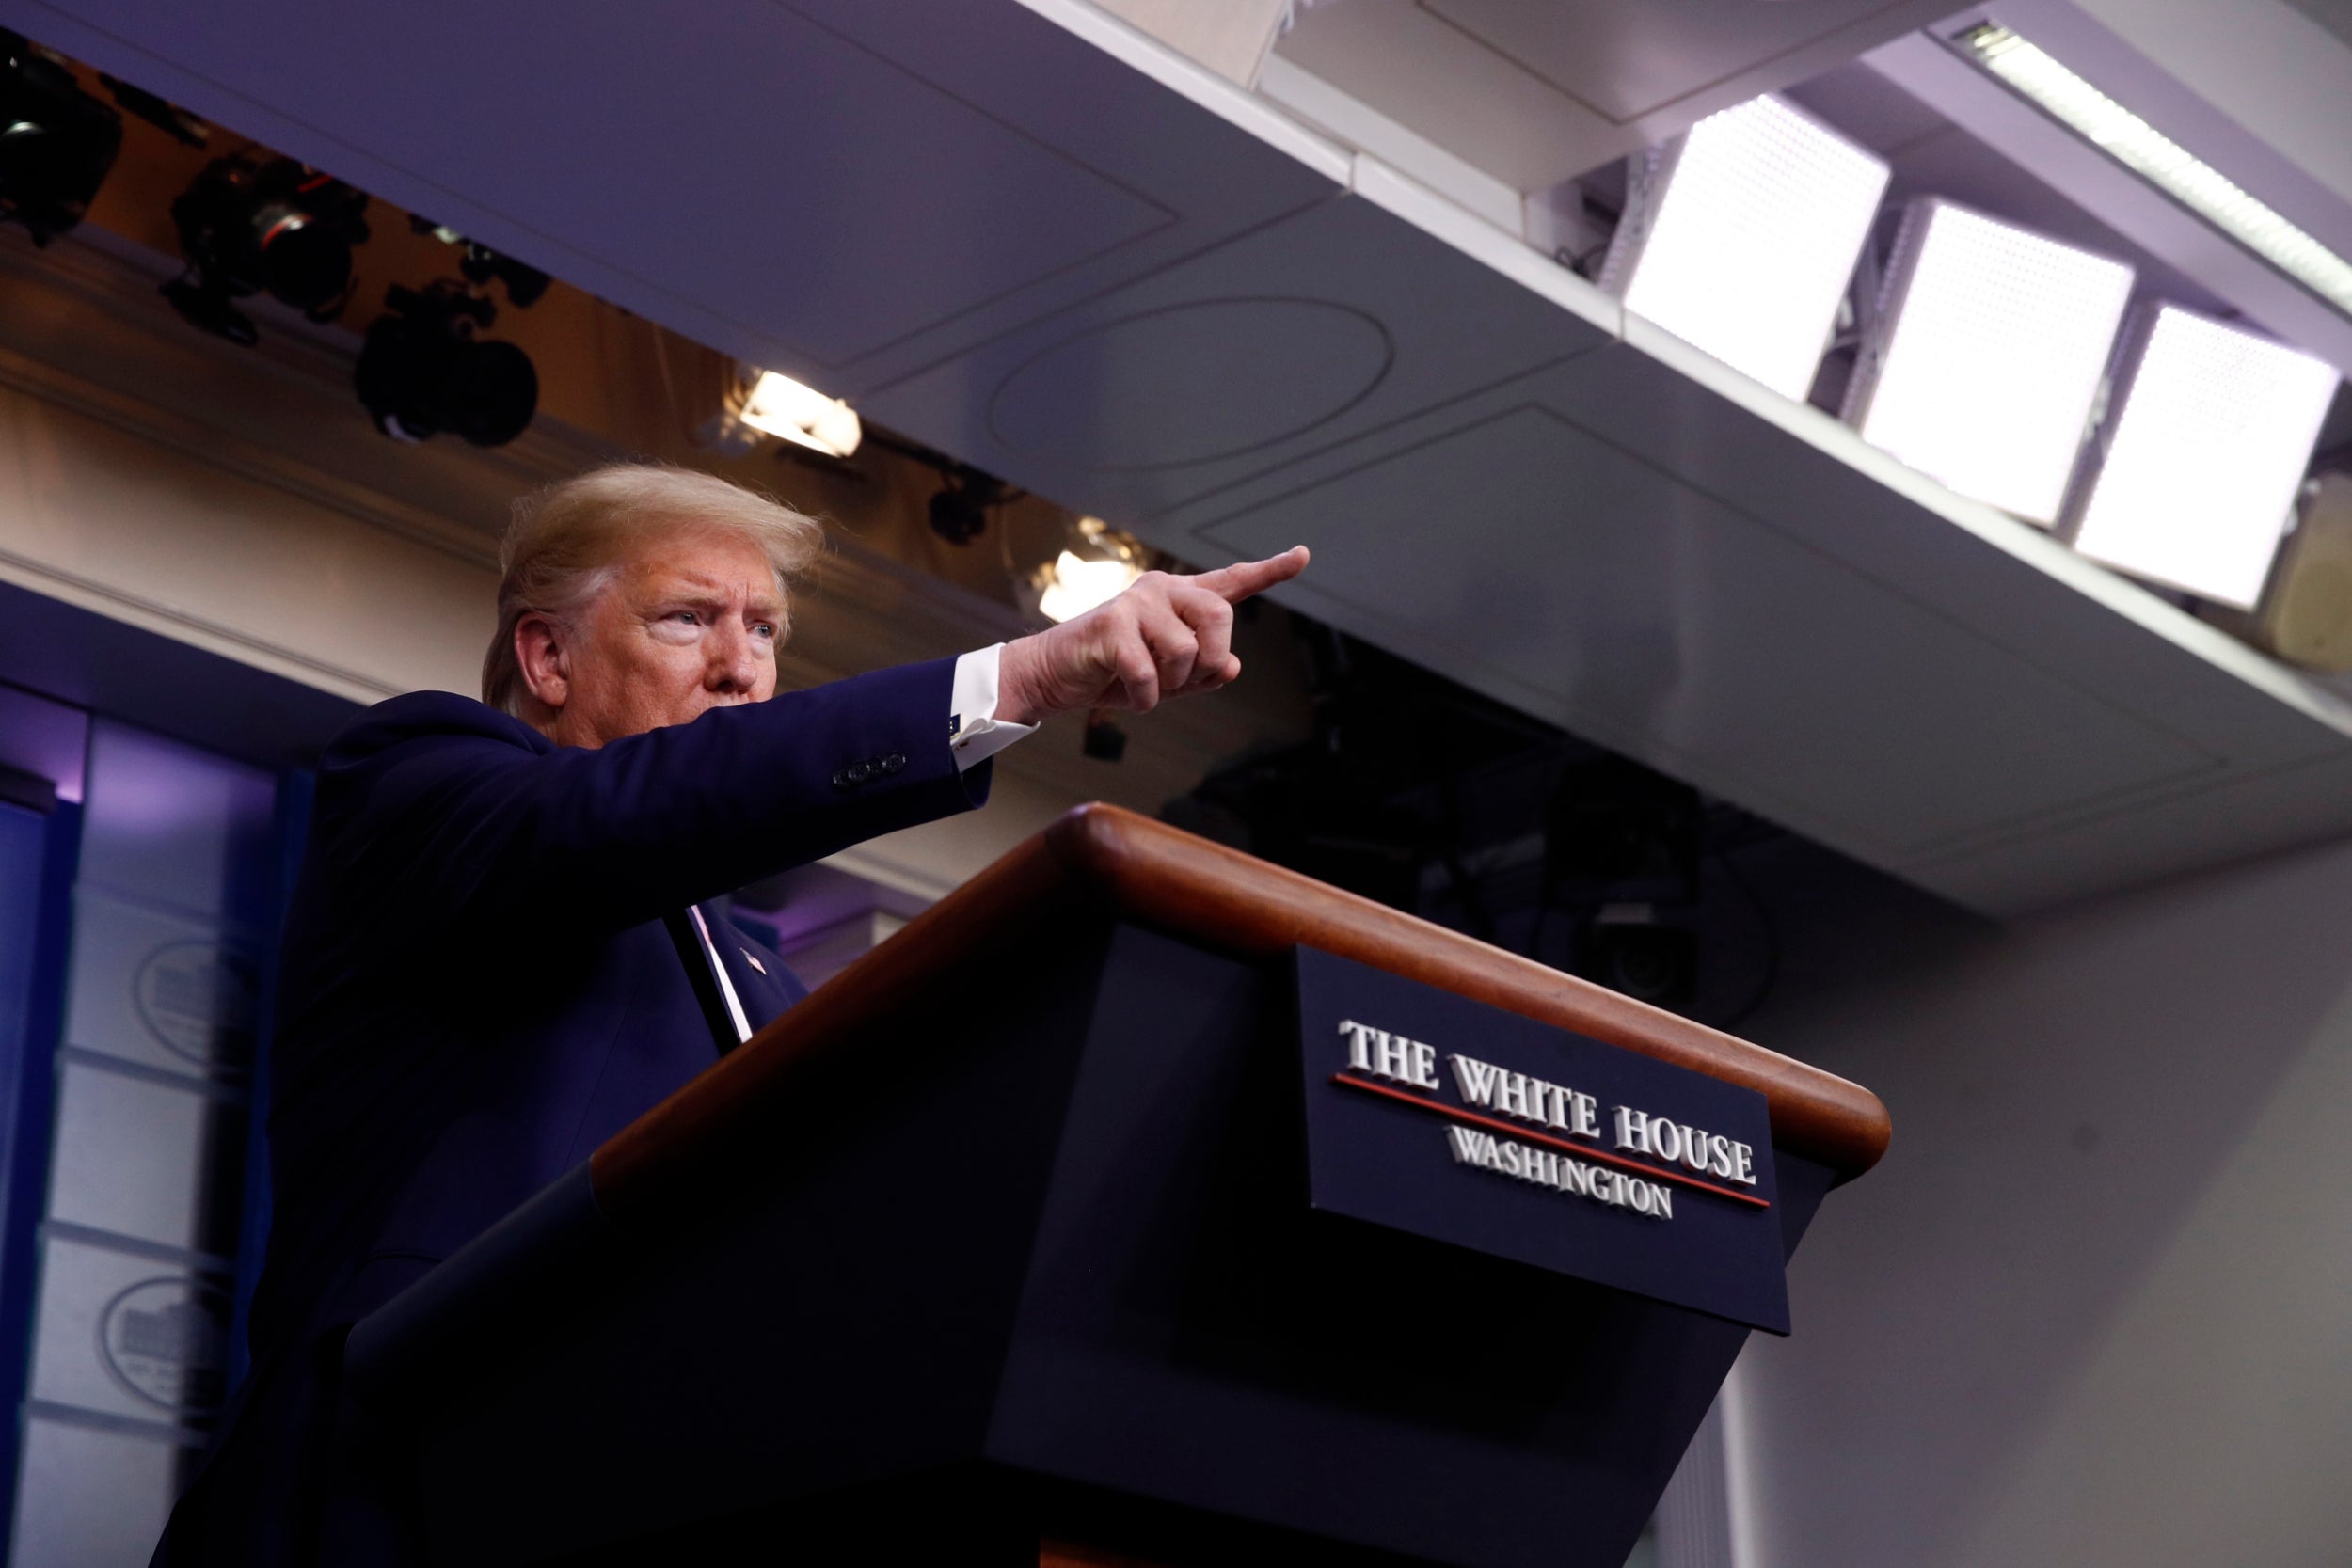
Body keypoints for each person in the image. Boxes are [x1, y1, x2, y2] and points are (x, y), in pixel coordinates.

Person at [151, 463, 1308, 1566]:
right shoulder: (423, 782)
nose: (739, 667)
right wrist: (1018, 680)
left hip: (683, 1490)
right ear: (547, 655)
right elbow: (625, 821)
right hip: (406, 1479)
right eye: (689, 619)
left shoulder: (761, 978)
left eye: (764, 632)